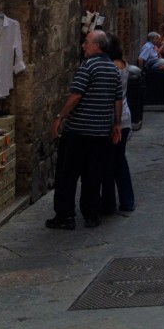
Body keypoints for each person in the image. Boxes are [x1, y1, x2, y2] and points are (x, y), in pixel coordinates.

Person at [46, 29, 122, 230]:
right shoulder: (113, 69)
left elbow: (76, 95)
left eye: (86, 42)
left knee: (67, 175)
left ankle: (65, 215)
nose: (83, 45)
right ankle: (91, 215)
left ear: (97, 46)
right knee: (92, 176)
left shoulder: (87, 67)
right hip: (100, 133)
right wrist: (116, 124)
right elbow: (117, 100)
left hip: (78, 132)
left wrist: (59, 117)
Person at [100, 35, 134, 215]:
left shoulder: (111, 67)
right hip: (125, 117)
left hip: (114, 119)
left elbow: (112, 96)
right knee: (119, 160)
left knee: (110, 162)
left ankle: (109, 203)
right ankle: (126, 200)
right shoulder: (124, 64)